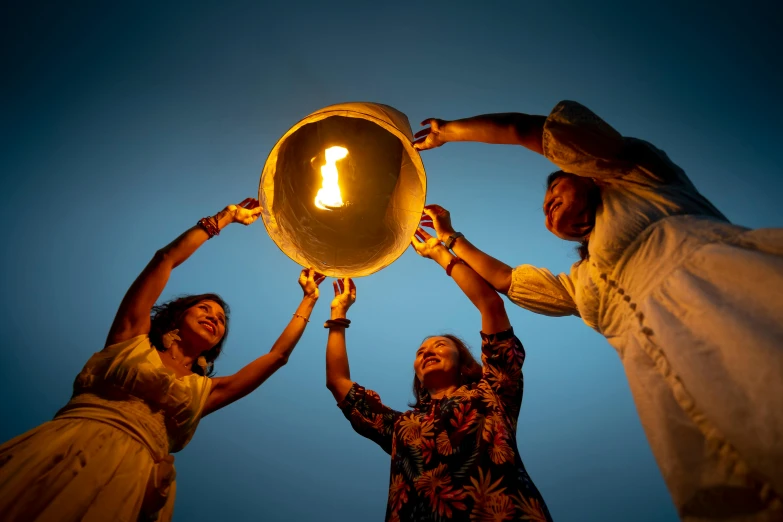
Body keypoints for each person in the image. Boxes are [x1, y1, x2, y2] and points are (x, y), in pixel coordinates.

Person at [413, 101, 783, 520]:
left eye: (554, 191)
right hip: (662, 382)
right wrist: (449, 241)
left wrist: (450, 130)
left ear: (586, 172)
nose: (547, 208)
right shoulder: (582, 284)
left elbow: (524, 130)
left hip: (726, 294)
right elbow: (504, 280)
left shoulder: (642, 180)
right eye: (545, 211)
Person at [0, 198, 326, 522]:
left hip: (136, 479)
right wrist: (223, 219)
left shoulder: (206, 391)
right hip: (69, 447)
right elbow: (164, 260)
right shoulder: (130, 339)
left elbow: (277, 356)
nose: (214, 318)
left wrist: (310, 299)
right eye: (204, 308)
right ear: (178, 315)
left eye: (221, 320)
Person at [324, 226, 552, 521]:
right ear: (417, 374)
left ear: (462, 361)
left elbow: (491, 304)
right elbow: (338, 382)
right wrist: (338, 315)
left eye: (440, 346)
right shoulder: (401, 426)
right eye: (420, 352)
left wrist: (440, 253)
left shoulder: (493, 390)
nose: (427, 352)